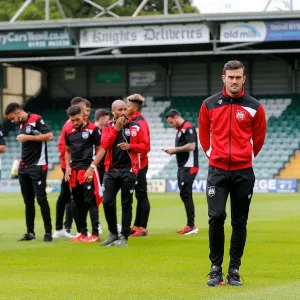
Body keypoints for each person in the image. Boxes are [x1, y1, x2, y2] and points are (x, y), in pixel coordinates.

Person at [198, 60, 266, 286]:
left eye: (238, 77)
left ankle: (234, 269)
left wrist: (244, 158)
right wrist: (214, 156)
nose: (234, 81)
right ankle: (215, 268)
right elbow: (204, 136)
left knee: (240, 222)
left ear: (244, 79)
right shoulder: (209, 104)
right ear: (223, 78)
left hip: (243, 172)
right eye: (231, 77)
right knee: (216, 217)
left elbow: (259, 139)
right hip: (217, 171)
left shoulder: (254, 106)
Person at [84, 100, 149, 247]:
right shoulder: (108, 126)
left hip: (129, 171)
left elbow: (146, 147)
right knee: (107, 202)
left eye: (125, 109)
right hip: (111, 171)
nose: (123, 112)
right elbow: (105, 145)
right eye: (120, 109)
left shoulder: (136, 126)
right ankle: (113, 233)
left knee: (127, 204)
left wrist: (131, 146)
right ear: (113, 111)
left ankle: (124, 236)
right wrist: (116, 129)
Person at [5, 102, 53, 242]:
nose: (12, 121)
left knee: (41, 199)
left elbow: (49, 136)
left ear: (18, 112)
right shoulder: (21, 125)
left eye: (12, 118)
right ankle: (30, 233)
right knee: (28, 201)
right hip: (24, 167)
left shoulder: (36, 119)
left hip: (38, 166)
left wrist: (28, 138)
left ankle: (48, 233)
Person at [64, 105, 102, 243]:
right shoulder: (69, 131)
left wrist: (92, 167)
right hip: (74, 171)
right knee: (76, 203)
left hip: (87, 170)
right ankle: (82, 233)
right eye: (72, 120)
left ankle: (95, 233)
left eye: (77, 119)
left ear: (83, 116)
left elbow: (100, 150)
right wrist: (67, 167)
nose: (75, 122)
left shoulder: (93, 130)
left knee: (90, 202)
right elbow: (67, 151)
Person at [52, 97, 87, 238]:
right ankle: (78, 230)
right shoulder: (70, 126)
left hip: (71, 165)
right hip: (71, 167)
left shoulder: (75, 125)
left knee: (66, 196)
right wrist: (70, 165)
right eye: (84, 109)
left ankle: (62, 228)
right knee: (74, 197)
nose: (86, 112)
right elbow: (63, 148)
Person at [163, 109, 199, 235]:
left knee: (186, 194)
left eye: (172, 122)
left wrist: (174, 150)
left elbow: (192, 146)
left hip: (189, 166)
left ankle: (191, 225)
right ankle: (190, 224)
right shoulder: (179, 130)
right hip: (183, 166)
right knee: (184, 194)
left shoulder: (188, 128)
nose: (171, 125)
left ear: (177, 117)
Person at [125, 94, 151, 237]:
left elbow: (146, 146)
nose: (125, 108)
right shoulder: (132, 120)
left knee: (142, 195)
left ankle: (143, 227)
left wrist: (130, 146)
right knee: (138, 195)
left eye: (127, 106)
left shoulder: (140, 122)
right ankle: (136, 225)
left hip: (140, 163)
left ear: (134, 108)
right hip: (134, 164)